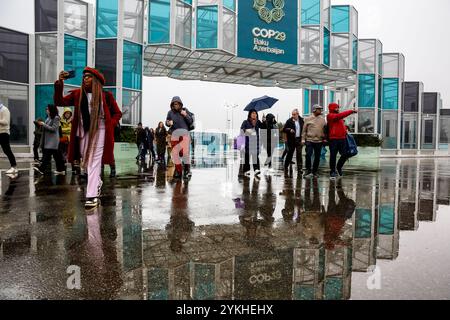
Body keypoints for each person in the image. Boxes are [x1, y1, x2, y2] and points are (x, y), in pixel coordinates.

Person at [54, 67, 122, 209]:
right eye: (84, 76)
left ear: (96, 79)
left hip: (101, 130)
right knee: (87, 160)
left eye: (88, 76)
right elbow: (59, 102)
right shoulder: (78, 94)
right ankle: (97, 183)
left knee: (94, 161)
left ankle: (91, 196)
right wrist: (60, 82)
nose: (85, 78)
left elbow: (117, 113)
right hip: (84, 131)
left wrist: (110, 123)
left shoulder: (106, 96)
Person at [327, 103, 358, 180]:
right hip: (333, 139)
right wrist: (351, 111)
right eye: (336, 108)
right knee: (333, 156)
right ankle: (332, 172)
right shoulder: (330, 115)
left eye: (338, 107)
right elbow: (338, 116)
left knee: (345, 154)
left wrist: (345, 128)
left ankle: (339, 167)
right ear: (332, 108)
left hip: (342, 138)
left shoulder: (339, 117)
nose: (337, 109)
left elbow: (339, 124)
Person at [33, 104, 66, 176]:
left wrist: (43, 124)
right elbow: (45, 129)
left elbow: (53, 129)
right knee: (57, 156)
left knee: (46, 156)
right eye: (46, 109)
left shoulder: (56, 118)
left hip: (53, 141)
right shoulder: (48, 118)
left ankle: (41, 169)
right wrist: (40, 124)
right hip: (48, 140)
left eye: (47, 109)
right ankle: (61, 169)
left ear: (51, 110)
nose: (46, 110)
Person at [166, 96, 194, 180]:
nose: (176, 105)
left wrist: (185, 115)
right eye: (174, 104)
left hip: (184, 134)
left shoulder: (185, 110)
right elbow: (166, 122)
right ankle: (178, 170)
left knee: (184, 153)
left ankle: (186, 170)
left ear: (180, 103)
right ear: (172, 104)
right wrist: (168, 123)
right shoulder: (170, 113)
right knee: (175, 154)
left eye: (177, 103)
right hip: (174, 134)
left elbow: (190, 121)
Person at [302, 105, 327, 178]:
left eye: (321, 109)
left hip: (319, 141)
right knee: (308, 155)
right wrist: (303, 139)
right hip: (309, 140)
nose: (320, 111)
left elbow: (325, 130)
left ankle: (314, 172)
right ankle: (308, 170)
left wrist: (325, 138)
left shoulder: (322, 119)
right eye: (319, 109)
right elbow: (304, 130)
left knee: (317, 157)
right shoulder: (308, 119)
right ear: (314, 110)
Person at [240, 109, 262, 177]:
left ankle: (256, 169)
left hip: (255, 143)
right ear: (250, 114)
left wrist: (264, 121)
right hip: (247, 143)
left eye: (255, 113)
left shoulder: (258, 122)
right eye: (252, 113)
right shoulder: (245, 122)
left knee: (255, 156)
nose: (254, 114)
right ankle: (246, 170)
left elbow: (264, 127)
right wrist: (250, 131)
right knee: (247, 157)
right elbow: (242, 130)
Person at [283, 109, 304, 173]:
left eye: (294, 114)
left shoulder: (302, 120)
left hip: (299, 139)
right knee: (290, 153)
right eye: (292, 114)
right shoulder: (289, 121)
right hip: (291, 140)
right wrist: (289, 130)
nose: (293, 116)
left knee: (299, 154)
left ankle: (300, 168)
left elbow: (304, 129)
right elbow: (284, 129)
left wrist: (303, 139)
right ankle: (286, 166)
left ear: (298, 114)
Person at [0, 102, 18, 175]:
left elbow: (6, 122)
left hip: (4, 133)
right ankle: (14, 166)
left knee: (7, 150)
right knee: (6, 150)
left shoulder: (4, 109)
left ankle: (14, 167)